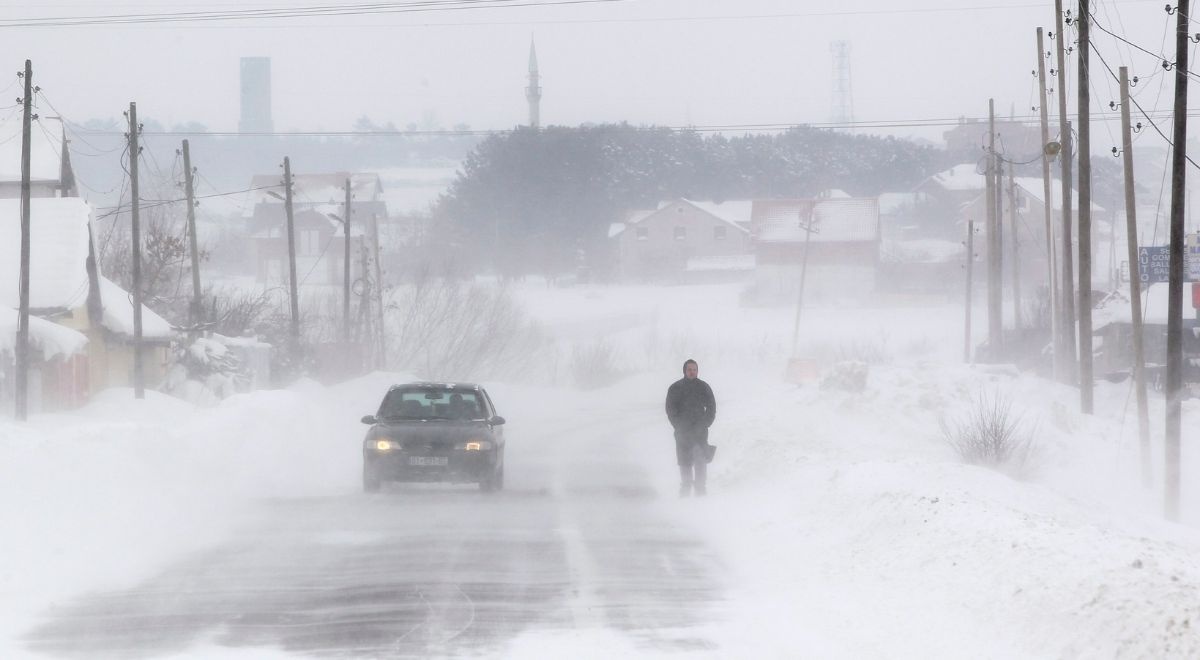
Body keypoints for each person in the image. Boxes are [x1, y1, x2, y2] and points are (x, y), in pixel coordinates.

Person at [665, 358, 716, 497]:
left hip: (700, 432)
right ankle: (685, 493)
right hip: (682, 433)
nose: (692, 372)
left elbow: (712, 407)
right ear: (684, 371)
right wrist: (679, 426)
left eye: (694, 369)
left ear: (697, 371)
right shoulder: (675, 388)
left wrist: (705, 423)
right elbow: (670, 409)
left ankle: (701, 491)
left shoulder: (704, 387)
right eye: (689, 369)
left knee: (700, 460)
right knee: (684, 461)